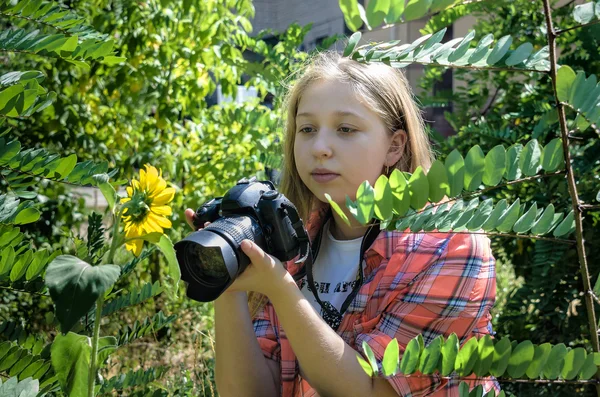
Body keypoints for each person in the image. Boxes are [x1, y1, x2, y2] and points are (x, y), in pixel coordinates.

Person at [185, 50, 499, 397]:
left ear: (394, 146)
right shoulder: (287, 240)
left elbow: (370, 391)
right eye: (307, 128)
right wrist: (225, 279)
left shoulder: (450, 244)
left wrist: (280, 288)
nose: (319, 147)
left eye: (345, 129)